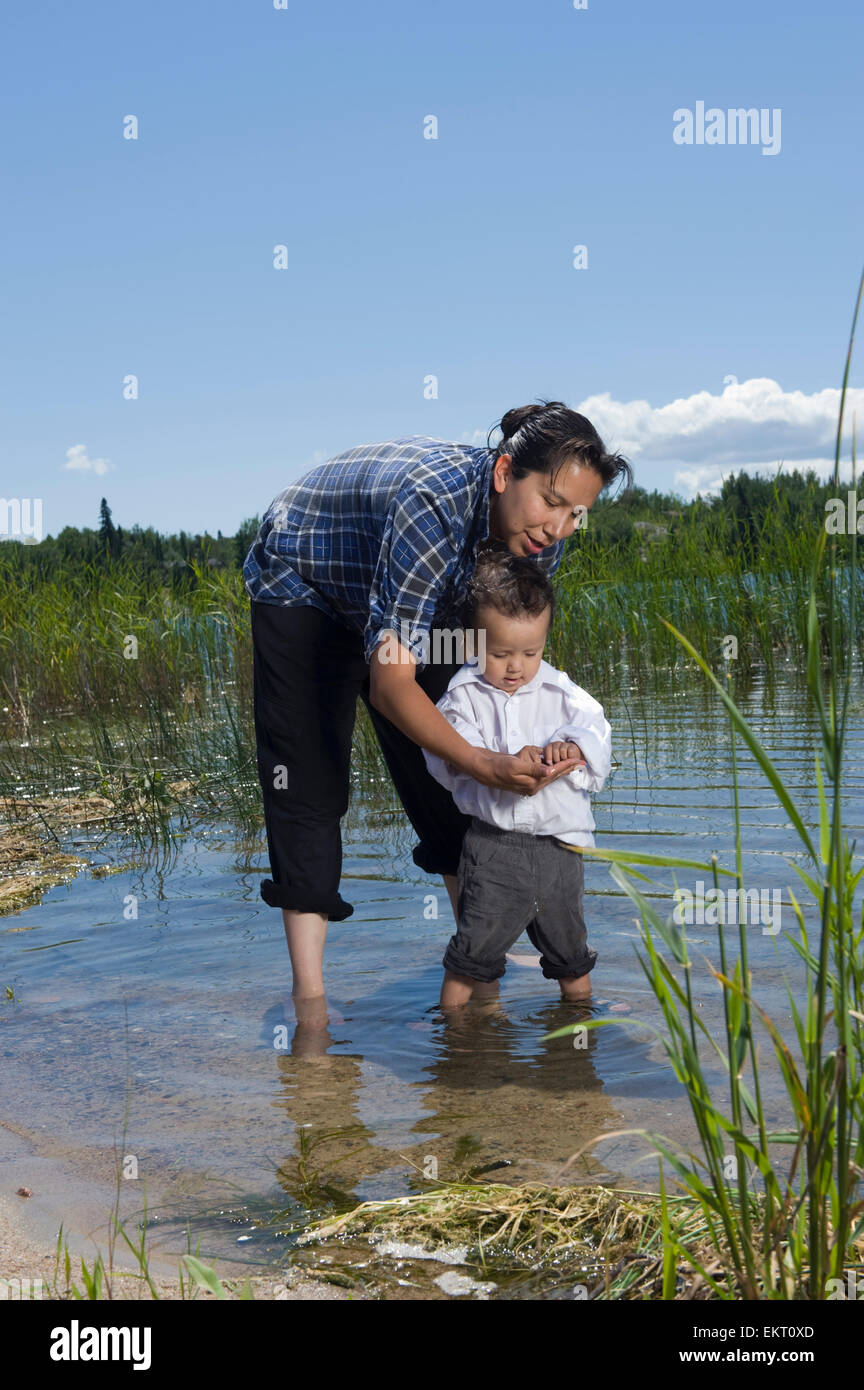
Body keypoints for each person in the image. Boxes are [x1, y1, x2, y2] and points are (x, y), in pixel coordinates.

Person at [243, 400, 631, 1016]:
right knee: (307, 780)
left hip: (403, 596)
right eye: (551, 502)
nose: (559, 528)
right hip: (307, 578)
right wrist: (485, 764)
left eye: (576, 514)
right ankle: (310, 1001)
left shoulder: (540, 542)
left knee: (453, 758)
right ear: (505, 473)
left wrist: (497, 758)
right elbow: (391, 687)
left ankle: (481, 975)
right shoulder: (431, 506)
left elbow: (490, 679)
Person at [422, 552, 612, 1008]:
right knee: (470, 955)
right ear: (471, 642)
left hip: (560, 848)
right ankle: (455, 1036)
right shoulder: (462, 696)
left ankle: (580, 1025)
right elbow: (448, 752)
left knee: (572, 955)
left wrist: (573, 745)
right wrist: (497, 761)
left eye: (531, 652)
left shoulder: (561, 692)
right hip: (493, 848)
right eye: (500, 653)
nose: (516, 667)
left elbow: (597, 731)